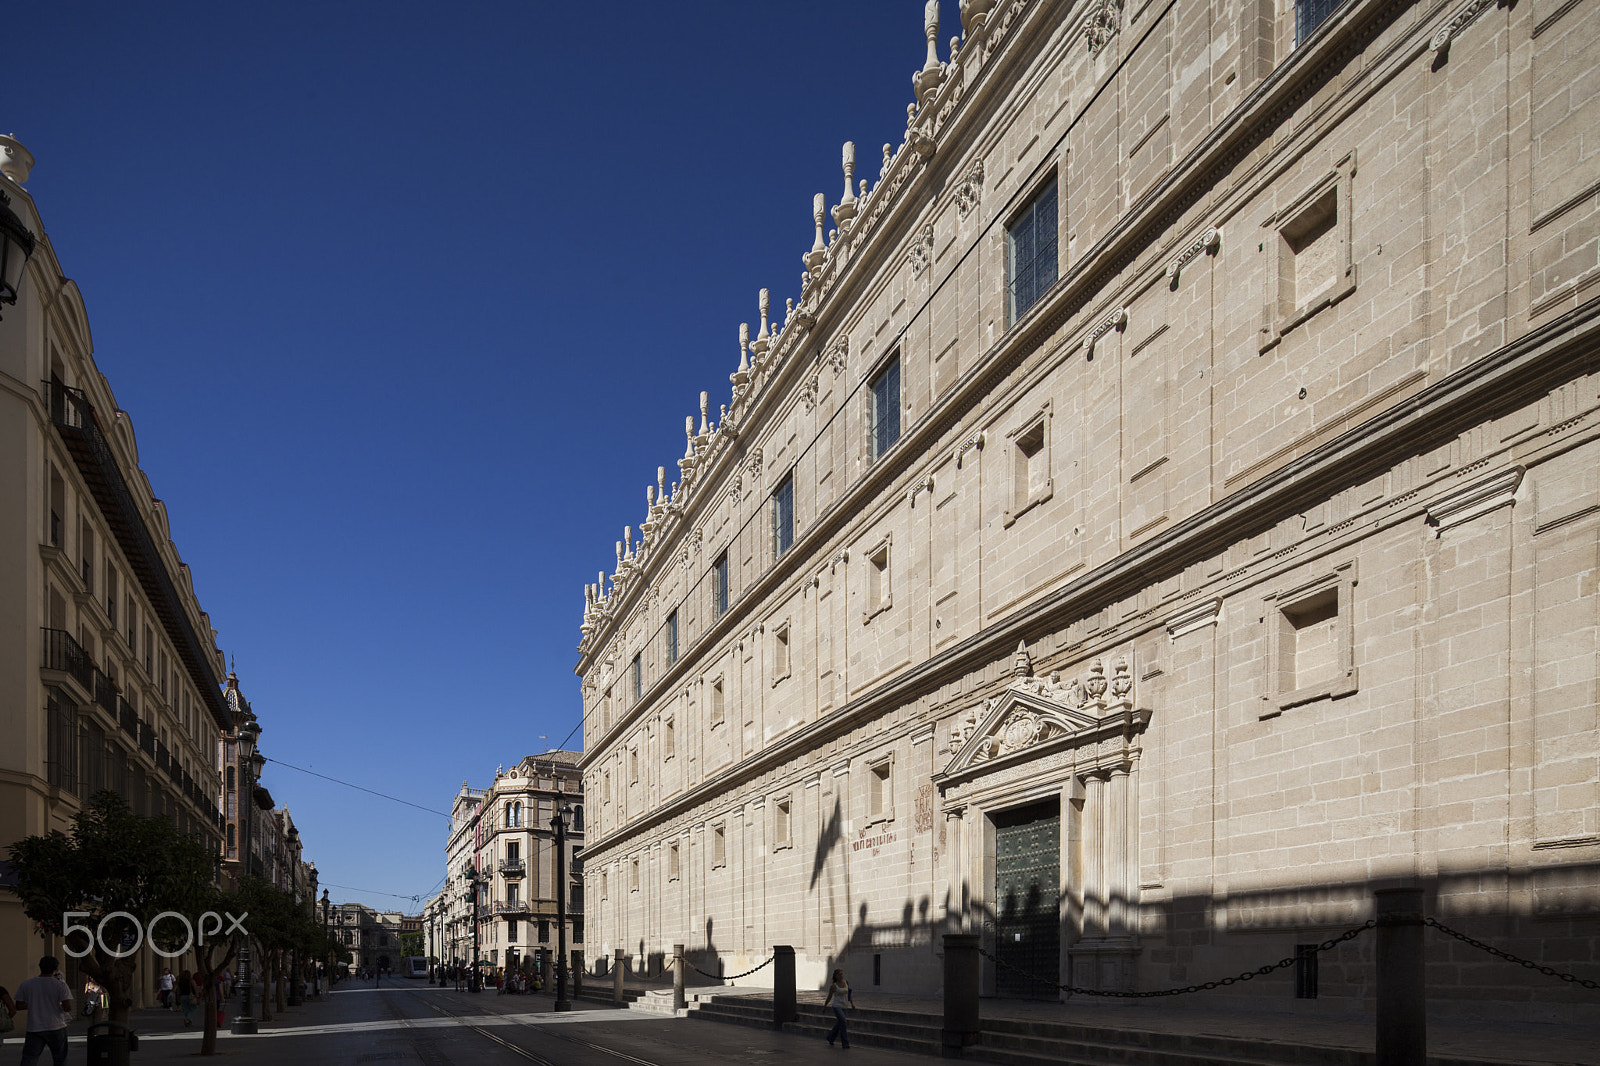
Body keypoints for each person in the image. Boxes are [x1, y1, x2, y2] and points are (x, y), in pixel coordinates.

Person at [13, 955, 74, 1066]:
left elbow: (19, 1005)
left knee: (29, 1059)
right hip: (56, 1026)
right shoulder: (60, 985)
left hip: (34, 1027)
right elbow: (68, 1007)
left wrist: (34, 1004)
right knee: (60, 1059)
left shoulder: (27, 984)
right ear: (55, 969)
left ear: (40, 967)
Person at [823, 967, 854, 1050]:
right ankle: (845, 1043)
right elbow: (829, 997)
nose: (841, 976)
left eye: (842, 974)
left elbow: (849, 994)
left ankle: (830, 1037)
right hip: (837, 1006)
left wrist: (852, 1003)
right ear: (836, 976)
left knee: (840, 1023)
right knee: (843, 1021)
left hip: (844, 1006)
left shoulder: (846, 982)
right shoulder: (833, 986)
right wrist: (825, 1006)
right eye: (840, 974)